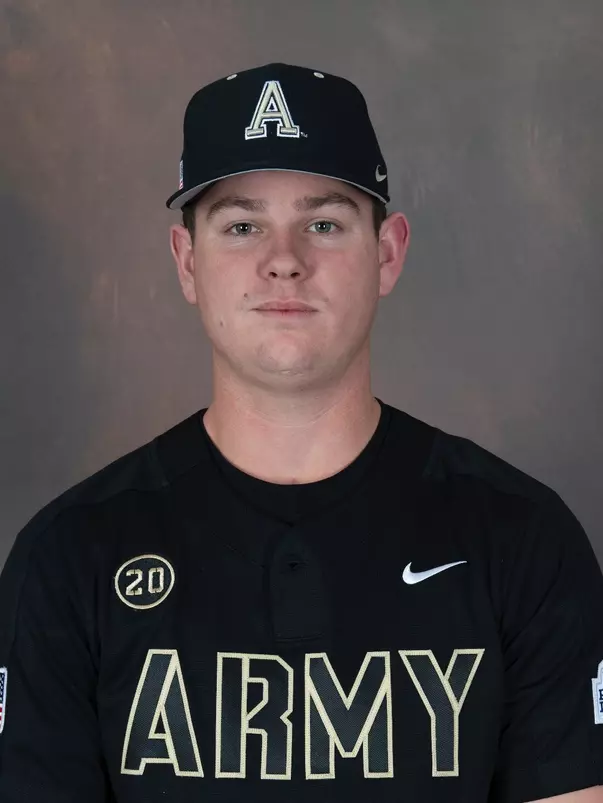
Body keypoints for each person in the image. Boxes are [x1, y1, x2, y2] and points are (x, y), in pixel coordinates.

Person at [0, 61, 601, 803]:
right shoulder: (68, 559)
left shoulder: (522, 541)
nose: (283, 261)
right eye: (242, 224)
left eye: (323, 222)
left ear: (387, 252)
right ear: (187, 262)